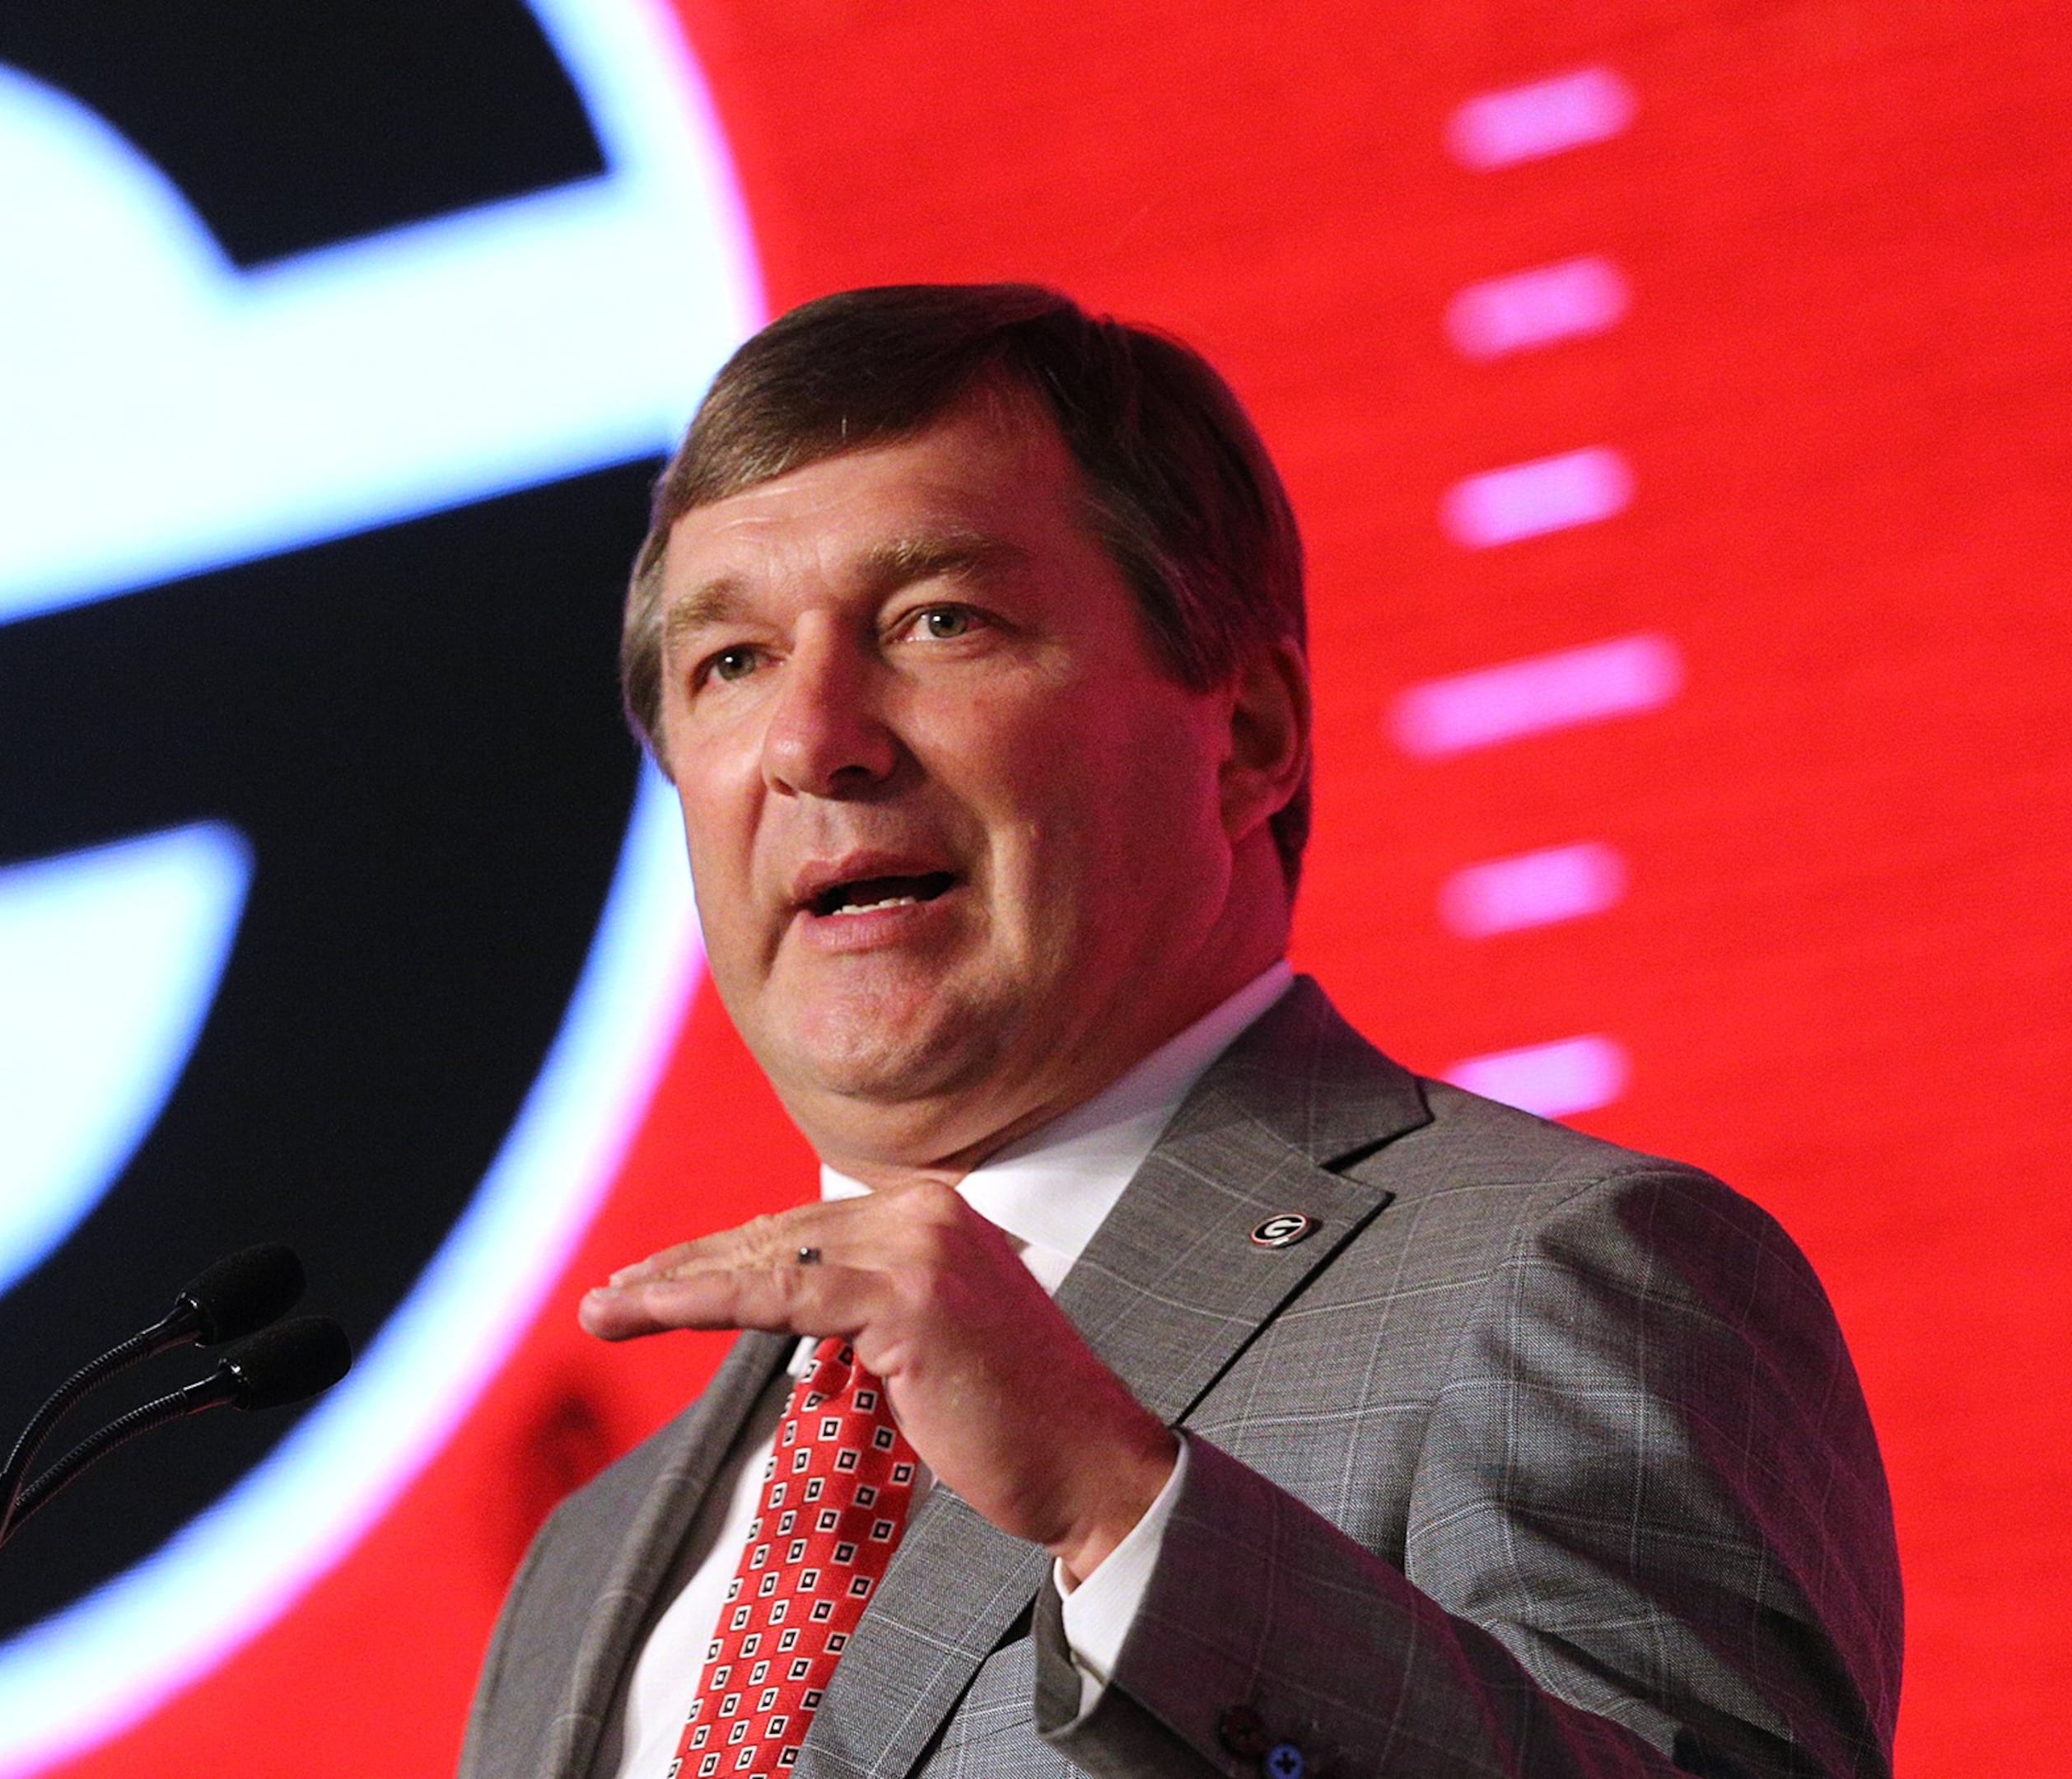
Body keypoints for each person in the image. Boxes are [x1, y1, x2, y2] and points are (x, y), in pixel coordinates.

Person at [460, 285, 1899, 1779]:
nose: (814, 737)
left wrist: (1122, 1511)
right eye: (731, 663)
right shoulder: (595, 1560)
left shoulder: (1565, 1277)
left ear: (1250, 733)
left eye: (940, 619)